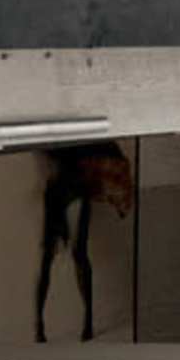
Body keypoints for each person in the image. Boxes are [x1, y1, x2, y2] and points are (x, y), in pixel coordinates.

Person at [31, 142, 136, 341]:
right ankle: (42, 326)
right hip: (62, 189)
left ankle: (80, 323)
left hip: (72, 188)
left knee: (74, 255)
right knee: (54, 258)